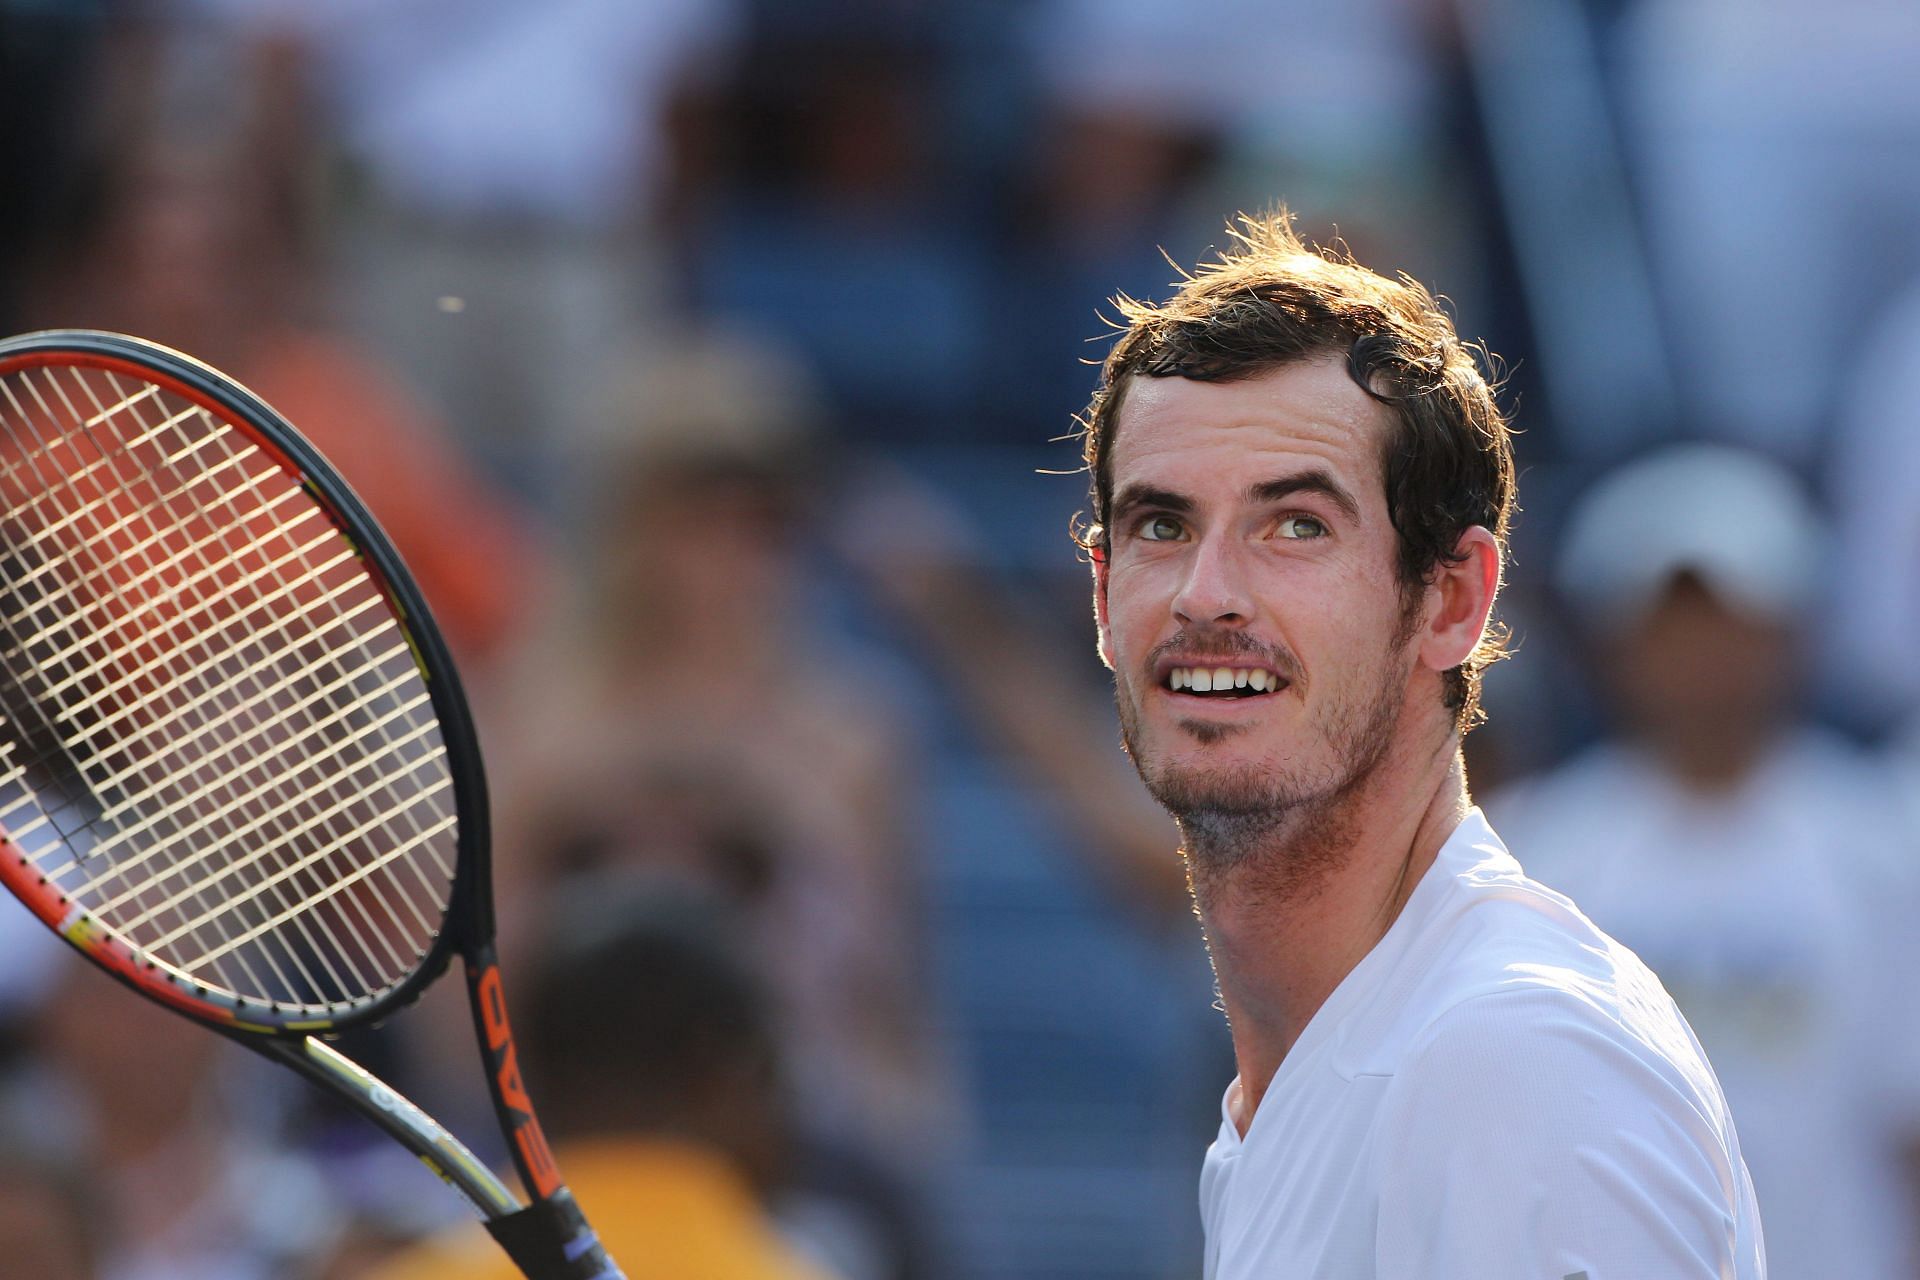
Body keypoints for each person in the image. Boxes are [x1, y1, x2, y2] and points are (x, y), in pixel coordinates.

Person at [1075, 210, 1764, 1277]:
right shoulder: (1340, 1076)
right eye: (1160, 524)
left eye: (1296, 523)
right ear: (1104, 591)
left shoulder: (1514, 1062)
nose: (1206, 593)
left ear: (1452, 600)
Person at [1491, 444, 1920, 1279]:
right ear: (1610, 646)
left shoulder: (1883, 848)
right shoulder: (1530, 853)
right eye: (1667, 624)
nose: (1700, 654)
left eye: (1728, 619)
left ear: (1791, 633)